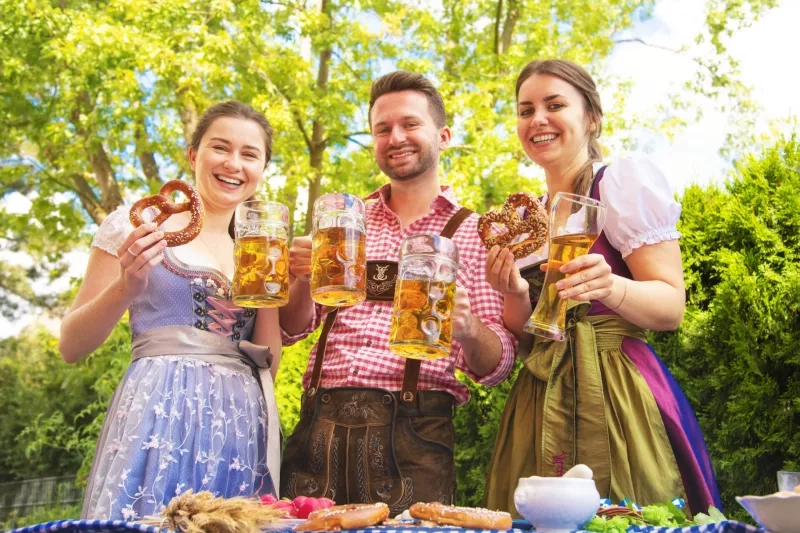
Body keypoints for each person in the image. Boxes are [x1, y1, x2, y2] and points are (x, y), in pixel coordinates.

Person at [483, 59, 722, 516]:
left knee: (629, 516)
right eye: (525, 109)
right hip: (540, 395)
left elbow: (671, 307)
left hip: (616, 391)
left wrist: (611, 287)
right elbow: (528, 335)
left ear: (591, 116)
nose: (537, 119)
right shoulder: (526, 220)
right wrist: (513, 291)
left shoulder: (619, 184)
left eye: (555, 105)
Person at [278, 71, 517, 512]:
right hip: (317, 427)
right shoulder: (345, 222)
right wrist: (300, 279)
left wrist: (467, 329)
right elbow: (292, 330)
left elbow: (498, 363)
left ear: (443, 135)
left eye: (410, 124)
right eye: (382, 129)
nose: (396, 137)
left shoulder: (473, 233)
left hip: (414, 436)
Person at [59, 101, 281, 520]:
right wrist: (127, 285)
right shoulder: (132, 228)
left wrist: (282, 286)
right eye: (221, 147)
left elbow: (270, 362)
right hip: (160, 412)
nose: (234, 163)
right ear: (194, 156)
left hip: (240, 423)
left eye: (250, 154)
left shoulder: (259, 249)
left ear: (262, 167)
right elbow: (71, 345)